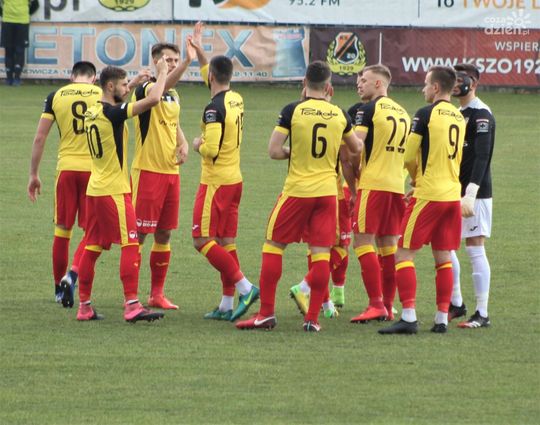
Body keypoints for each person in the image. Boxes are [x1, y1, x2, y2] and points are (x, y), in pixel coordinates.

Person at [236, 60, 362, 332]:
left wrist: (294, 152)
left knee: (273, 246)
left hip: (297, 191)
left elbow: (274, 151)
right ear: (329, 87)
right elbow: (356, 148)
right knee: (321, 253)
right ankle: (312, 319)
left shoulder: (292, 110)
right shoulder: (340, 114)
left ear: (304, 84)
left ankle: (266, 314)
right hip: (327, 194)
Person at [76, 60, 169, 322]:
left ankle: (84, 307)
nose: (127, 89)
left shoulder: (94, 110)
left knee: (92, 246)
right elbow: (153, 100)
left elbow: (118, 102)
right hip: (113, 191)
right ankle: (132, 305)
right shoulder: (113, 114)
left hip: (95, 189)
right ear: (110, 86)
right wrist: (162, 72)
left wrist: (134, 82)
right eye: (123, 85)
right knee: (130, 243)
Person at [379, 65, 465, 335]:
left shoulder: (426, 114)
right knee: (443, 257)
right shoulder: (459, 116)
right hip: (452, 196)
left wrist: (417, 180)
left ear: (436, 88)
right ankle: (441, 318)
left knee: (403, 253)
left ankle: (408, 316)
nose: (423, 89)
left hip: (429, 194)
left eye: (426, 84)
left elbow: (407, 156)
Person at [189, 26, 259, 322]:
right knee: (226, 242)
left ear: (212, 79)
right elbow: (211, 72)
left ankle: (245, 287)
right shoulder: (235, 98)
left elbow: (212, 150)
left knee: (201, 239)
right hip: (235, 180)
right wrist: (200, 50)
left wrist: (197, 144)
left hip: (215, 183)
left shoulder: (213, 108)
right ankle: (227, 304)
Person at [27, 61, 102, 307]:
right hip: (94, 171)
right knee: (91, 231)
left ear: (72, 77)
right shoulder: (101, 94)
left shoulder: (55, 96)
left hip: (66, 169)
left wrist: (34, 174)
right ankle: (73, 274)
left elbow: (40, 137)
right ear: (94, 78)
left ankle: (58, 290)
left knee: (62, 230)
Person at [130, 39, 194, 310]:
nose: (173, 65)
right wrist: (188, 62)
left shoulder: (173, 94)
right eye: (169, 60)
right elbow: (161, 87)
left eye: (176, 61)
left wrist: (183, 141)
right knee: (139, 234)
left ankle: (157, 294)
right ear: (156, 62)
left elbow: (173, 122)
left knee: (164, 233)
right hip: (147, 171)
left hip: (170, 172)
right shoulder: (146, 88)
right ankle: (131, 295)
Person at [348, 64, 411, 324]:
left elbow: (356, 146)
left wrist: (341, 135)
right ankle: (388, 305)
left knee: (362, 242)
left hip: (373, 184)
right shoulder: (403, 112)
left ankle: (375, 304)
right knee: (388, 247)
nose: (359, 84)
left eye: (364, 80)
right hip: (396, 186)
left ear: (378, 83)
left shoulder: (368, 109)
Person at [448, 63, 495, 329]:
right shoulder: (456, 114)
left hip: (475, 193)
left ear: (473, 83)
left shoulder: (481, 114)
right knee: (445, 245)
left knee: (474, 246)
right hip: (451, 190)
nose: (455, 84)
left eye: (460, 79)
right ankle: (457, 303)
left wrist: (471, 191)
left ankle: (482, 313)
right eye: (453, 79)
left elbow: (482, 155)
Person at [0, 0, 38, 85]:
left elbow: (35, 4)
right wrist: (3, 13)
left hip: (21, 21)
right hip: (9, 21)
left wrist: (27, 13)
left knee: (19, 50)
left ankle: (16, 78)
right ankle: (9, 78)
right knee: (9, 50)